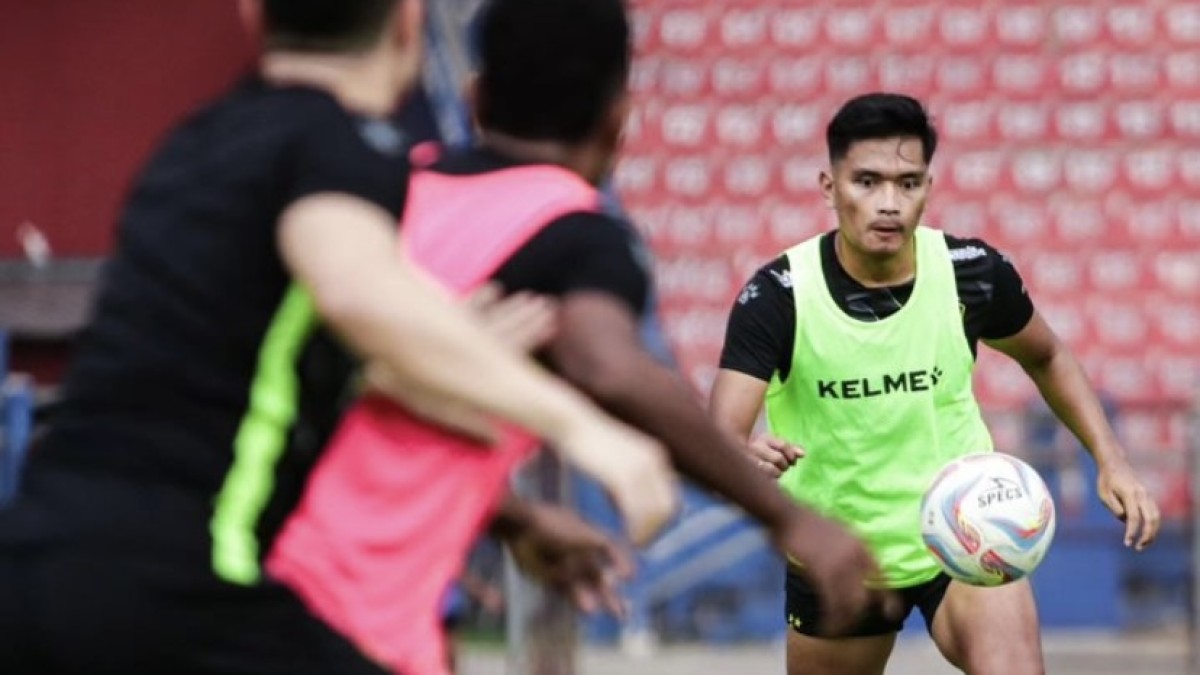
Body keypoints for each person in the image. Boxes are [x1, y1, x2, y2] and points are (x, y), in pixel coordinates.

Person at [0, 0, 681, 672]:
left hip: (36, 562)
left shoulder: (194, 144)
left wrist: (501, 491)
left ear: (252, 15)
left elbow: (265, 351)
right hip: (176, 585)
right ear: (409, 22)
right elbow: (357, 287)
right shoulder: (341, 148)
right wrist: (587, 431)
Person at [264, 1, 897, 674]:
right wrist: (789, 518)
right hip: (350, 614)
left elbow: (357, 427)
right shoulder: (573, 235)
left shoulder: (389, 193)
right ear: (620, 118)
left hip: (259, 570)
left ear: (475, 97)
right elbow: (608, 367)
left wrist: (514, 517)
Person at [709, 91, 1163, 675]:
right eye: (867, 182)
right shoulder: (778, 296)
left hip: (968, 534)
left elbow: (1047, 355)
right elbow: (722, 431)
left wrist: (1112, 459)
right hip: (839, 555)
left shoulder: (971, 272)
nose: (889, 203)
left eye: (908, 182)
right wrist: (741, 453)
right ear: (830, 187)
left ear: (929, 186)